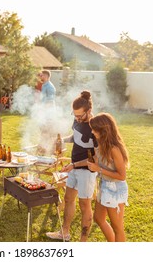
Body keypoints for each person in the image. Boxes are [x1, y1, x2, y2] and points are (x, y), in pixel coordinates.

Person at [46, 90, 97, 241]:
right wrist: (63, 141)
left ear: (89, 111)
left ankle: (83, 242)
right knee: (68, 199)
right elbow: (76, 137)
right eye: (74, 115)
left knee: (84, 205)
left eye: (80, 115)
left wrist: (74, 165)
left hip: (87, 171)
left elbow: (95, 159)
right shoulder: (77, 121)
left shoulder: (95, 127)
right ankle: (65, 233)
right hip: (74, 167)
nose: (77, 119)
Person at [87, 113, 129, 242]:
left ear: (103, 131)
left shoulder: (114, 149)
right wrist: (73, 165)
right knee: (99, 218)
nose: (92, 131)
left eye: (94, 129)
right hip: (104, 185)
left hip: (115, 188)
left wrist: (98, 169)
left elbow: (122, 176)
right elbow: (97, 163)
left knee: (118, 227)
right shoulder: (100, 145)